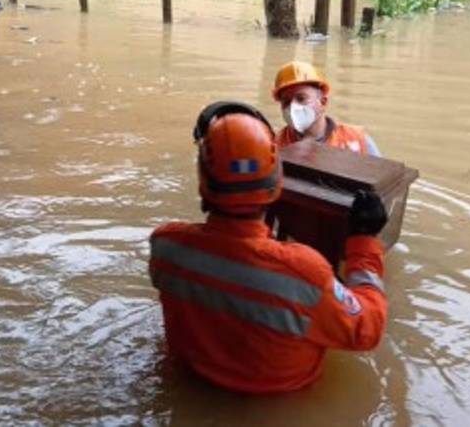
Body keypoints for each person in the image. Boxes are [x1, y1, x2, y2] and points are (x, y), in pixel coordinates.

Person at [148, 101, 389, 393]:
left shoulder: (166, 248)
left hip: (189, 389)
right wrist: (363, 242)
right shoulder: (305, 274)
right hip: (285, 404)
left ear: (203, 183)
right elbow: (368, 330)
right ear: (277, 181)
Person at [271, 61, 380, 155]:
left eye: (301, 98)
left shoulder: (357, 140)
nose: (293, 107)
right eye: (286, 102)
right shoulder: (275, 147)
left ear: (323, 102)